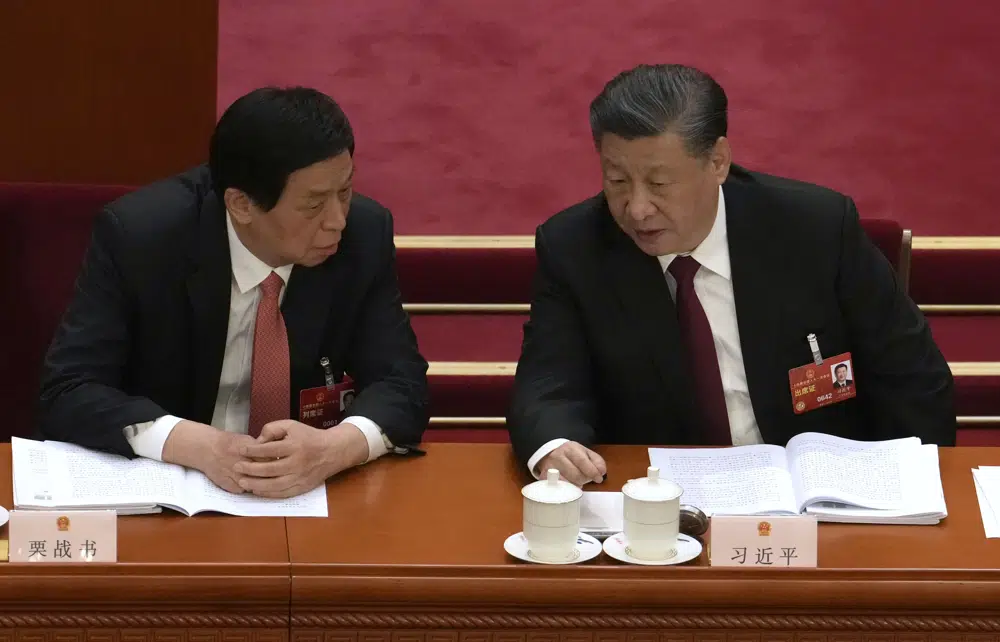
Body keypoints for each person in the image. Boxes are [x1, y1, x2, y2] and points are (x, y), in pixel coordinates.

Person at [507, 64, 955, 486]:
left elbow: (910, 376)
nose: (637, 208)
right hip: (659, 506)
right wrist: (555, 445)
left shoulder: (814, 229)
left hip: (820, 496)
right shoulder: (575, 248)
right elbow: (547, 386)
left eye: (659, 183)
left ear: (717, 161)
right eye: (617, 181)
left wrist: (912, 493)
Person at [38, 86, 430, 498]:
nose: (337, 221)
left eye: (345, 192)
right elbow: (69, 390)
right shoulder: (142, 238)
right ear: (241, 205)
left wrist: (334, 448)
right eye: (313, 205)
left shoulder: (363, 236)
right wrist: (199, 445)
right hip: (171, 493)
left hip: (303, 498)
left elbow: (402, 383)